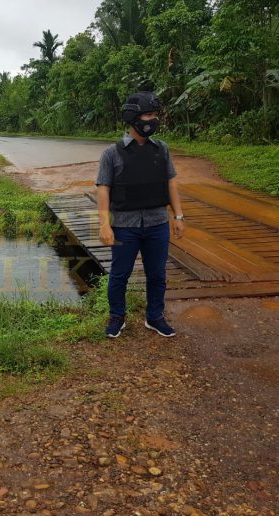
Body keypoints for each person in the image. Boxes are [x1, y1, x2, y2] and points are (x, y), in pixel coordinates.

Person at [96, 91, 185, 339]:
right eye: (148, 114)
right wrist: (105, 224)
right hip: (125, 225)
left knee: (157, 273)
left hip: (157, 223)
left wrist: (178, 216)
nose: (153, 119)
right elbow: (103, 189)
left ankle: (155, 317)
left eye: (156, 115)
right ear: (133, 117)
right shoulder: (112, 154)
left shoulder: (162, 149)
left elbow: (171, 183)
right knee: (120, 274)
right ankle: (117, 316)